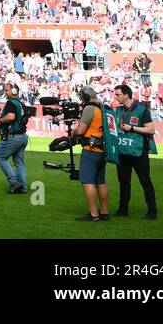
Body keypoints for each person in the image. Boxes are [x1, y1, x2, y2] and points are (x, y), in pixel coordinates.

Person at [111, 84, 158, 220]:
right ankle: (123, 209)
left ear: (126, 95)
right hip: (123, 152)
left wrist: (132, 128)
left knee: (145, 181)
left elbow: (150, 130)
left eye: (118, 94)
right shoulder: (118, 111)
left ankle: (152, 210)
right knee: (123, 182)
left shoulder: (141, 109)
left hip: (138, 153)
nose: (116, 97)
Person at [70, 84, 111, 222]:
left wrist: (73, 133)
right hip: (102, 149)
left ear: (85, 97)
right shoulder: (103, 107)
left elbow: (81, 131)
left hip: (90, 149)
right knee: (100, 181)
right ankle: (104, 212)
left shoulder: (89, 108)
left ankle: (94, 214)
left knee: (87, 181)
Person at [0, 82, 30, 195]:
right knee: (19, 162)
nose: (5, 92)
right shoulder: (21, 103)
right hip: (23, 136)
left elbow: (11, 117)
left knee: (0, 158)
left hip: (13, 137)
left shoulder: (11, 103)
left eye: (7, 90)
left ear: (14, 91)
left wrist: (0, 120)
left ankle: (14, 182)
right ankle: (23, 187)